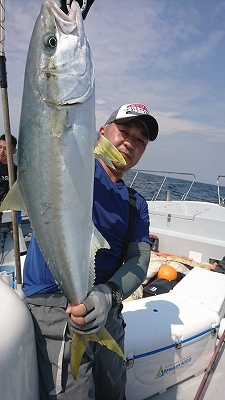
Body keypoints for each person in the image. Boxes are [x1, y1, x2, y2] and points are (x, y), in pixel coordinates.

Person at [22, 103, 159, 400]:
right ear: (101, 132)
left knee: (113, 390)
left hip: (105, 306)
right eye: (123, 132)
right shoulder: (72, 168)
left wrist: (107, 295)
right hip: (56, 304)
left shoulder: (137, 203)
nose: (130, 143)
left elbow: (139, 258)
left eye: (140, 140)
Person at [0, 134, 17, 224]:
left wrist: (14, 222)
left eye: (5, 149)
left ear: (14, 151)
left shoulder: (16, 171)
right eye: (0, 147)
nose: (1, 151)